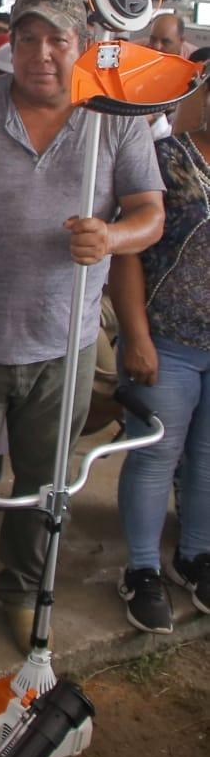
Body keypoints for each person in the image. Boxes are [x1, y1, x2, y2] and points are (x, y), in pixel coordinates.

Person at [0, 0, 165, 672]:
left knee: (42, 487)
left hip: (64, 347)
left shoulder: (115, 118)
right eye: (26, 38)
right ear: (7, 44)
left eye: (56, 39)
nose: (40, 53)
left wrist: (109, 238)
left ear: (79, 45)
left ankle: (23, 592)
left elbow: (150, 214)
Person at [111, 115, 210, 634]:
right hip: (165, 341)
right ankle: (143, 568)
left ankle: (195, 556)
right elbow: (128, 251)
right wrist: (137, 337)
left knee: (207, 459)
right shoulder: (168, 159)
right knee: (154, 456)